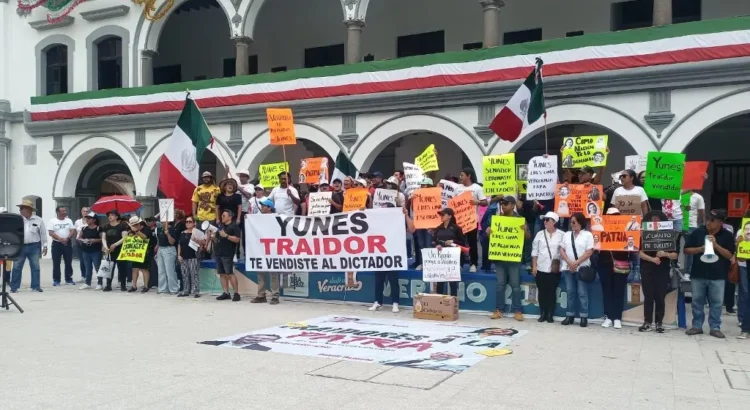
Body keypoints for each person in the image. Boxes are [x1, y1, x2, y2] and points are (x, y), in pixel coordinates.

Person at [684, 209, 736, 338]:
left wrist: (716, 245)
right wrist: (700, 249)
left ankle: (715, 327)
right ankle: (697, 326)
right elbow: (686, 250)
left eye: (712, 220)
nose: (708, 222)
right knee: (696, 301)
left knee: (717, 303)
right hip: (698, 272)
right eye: (708, 219)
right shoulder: (698, 232)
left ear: (721, 223)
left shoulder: (727, 235)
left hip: (718, 275)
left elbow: (730, 255)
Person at [489, 196, 531, 321]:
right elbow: (490, 237)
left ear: (513, 205)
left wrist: (525, 231)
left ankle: (517, 310)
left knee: (515, 285)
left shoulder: (520, 220)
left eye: (506, 203)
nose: (503, 205)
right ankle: (499, 309)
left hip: (514, 258)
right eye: (502, 203)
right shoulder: (498, 219)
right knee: (500, 285)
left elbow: (528, 238)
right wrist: (488, 232)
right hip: (500, 258)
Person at [370, 206, 416, 312]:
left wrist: (406, 215)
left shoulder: (398, 221)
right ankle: (378, 302)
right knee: (378, 281)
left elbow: (412, 229)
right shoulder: (379, 222)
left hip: (394, 255)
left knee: (393, 281)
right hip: (380, 255)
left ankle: (395, 303)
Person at [639, 210, 678, 333]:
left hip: (662, 269)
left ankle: (659, 323)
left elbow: (675, 255)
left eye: (657, 219)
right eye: (652, 219)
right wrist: (652, 259)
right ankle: (647, 322)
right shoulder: (644, 234)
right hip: (647, 268)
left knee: (660, 297)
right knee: (648, 296)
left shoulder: (668, 235)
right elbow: (638, 252)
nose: (654, 221)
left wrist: (665, 253)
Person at [596, 208, 631, 330]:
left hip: (621, 264)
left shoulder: (626, 229)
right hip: (604, 264)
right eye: (610, 216)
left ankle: (617, 318)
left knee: (618, 291)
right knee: (607, 291)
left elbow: (633, 246)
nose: (613, 218)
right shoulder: (600, 229)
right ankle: (608, 317)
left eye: (615, 216)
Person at [559, 213, 595, 327]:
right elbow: (562, 250)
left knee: (582, 293)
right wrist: (570, 263)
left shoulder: (588, 235)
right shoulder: (566, 234)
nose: (571, 224)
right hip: (568, 267)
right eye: (570, 222)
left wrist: (576, 263)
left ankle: (583, 316)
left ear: (580, 222)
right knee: (570, 292)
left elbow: (589, 251)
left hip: (582, 268)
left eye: (574, 222)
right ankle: (569, 315)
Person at [531, 211, 564, 323]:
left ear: (554, 222)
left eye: (547, 220)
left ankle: (550, 314)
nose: (544, 222)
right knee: (542, 291)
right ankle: (543, 313)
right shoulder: (539, 234)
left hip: (554, 269)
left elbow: (563, 252)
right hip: (541, 267)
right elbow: (535, 251)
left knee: (551, 291)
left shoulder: (561, 235)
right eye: (544, 220)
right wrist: (534, 266)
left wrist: (562, 266)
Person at [10, 199, 47, 293]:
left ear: (29, 210)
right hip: (20, 246)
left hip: (34, 246)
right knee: (17, 266)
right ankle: (14, 287)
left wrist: (45, 245)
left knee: (35, 266)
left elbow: (43, 233)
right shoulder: (17, 219)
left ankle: (35, 286)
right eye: (21, 208)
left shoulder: (38, 220)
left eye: (22, 208)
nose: (20, 210)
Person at [251, 199, 282, 304]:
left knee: (273, 274)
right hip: (260, 249)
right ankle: (261, 295)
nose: (262, 207)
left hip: (272, 249)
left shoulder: (277, 218)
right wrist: (248, 219)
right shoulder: (258, 218)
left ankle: (275, 296)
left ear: (269, 208)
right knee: (260, 273)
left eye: (264, 206)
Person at [456, 168, 487, 273]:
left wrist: (476, 202)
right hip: (459, 220)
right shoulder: (457, 188)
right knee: (458, 242)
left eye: (462, 175)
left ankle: (473, 263)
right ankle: (459, 263)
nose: (460, 177)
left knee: (472, 242)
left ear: (468, 176)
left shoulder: (477, 188)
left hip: (472, 220)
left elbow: (485, 202)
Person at [431, 208, 466, 297]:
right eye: (441, 215)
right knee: (440, 281)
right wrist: (436, 245)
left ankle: (453, 301)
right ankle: (439, 301)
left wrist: (453, 241)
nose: (441, 216)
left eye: (443, 214)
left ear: (450, 216)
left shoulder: (456, 228)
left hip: (453, 259)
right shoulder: (438, 229)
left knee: (452, 282)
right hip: (441, 259)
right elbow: (433, 241)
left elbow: (463, 243)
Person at [214, 210, 242, 302]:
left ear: (230, 217)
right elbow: (218, 237)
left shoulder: (234, 226)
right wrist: (214, 236)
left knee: (230, 273)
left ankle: (236, 293)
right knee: (222, 274)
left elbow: (237, 239)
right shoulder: (221, 226)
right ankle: (226, 292)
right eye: (222, 215)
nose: (222, 216)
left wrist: (226, 236)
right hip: (218, 252)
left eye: (224, 215)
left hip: (228, 253)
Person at [101, 211, 131, 291]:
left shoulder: (122, 226)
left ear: (117, 217)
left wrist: (115, 244)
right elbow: (103, 238)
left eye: (112, 215)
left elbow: (124, 237)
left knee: (122, 268)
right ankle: (108, 285)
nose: (110, 217)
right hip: (109, 250)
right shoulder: (106, 226)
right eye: (109, 215)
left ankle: (123, 285)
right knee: (109, 267)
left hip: (120, 249)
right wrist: (105, 246)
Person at [48, 205, 76, 286]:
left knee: (68, 262)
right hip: (56, 244)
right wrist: (60, 239)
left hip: (67, 243)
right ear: (58, 212)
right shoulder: (52, 221)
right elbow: (51, 233)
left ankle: (69, 279)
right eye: (63, 211)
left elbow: (72, 230)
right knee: (56, 263)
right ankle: (56, 280)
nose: (65, 212)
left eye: (65, 211)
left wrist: (67, 238)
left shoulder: (69, 220)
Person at [126, 216, 155, 293]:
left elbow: (144, 237)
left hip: (146, 252)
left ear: (139, 223)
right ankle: (134, 286)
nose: (134, 226)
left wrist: (136, 231)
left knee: (144, 269)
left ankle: (146, 286)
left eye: (135, 224)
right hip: (136, 251)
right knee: (134, 269)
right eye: (133, 225)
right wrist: (130, 233)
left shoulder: (146, 229)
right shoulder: (131, 230)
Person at [77, 211, 103, 290]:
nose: (87, 220)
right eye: (86, 218)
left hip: (96, 251)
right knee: (87, 267)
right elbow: (79, 237)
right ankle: (87, 283)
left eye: (89, 218)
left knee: (97, 267)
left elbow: (102, 239)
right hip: (86, 250)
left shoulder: (99, 228)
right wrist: (83, 240)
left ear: (94, 220)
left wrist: (93, 240)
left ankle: (100, 283)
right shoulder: (84, 228)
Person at [682, 190, 706, 278]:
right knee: (675, 246)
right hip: (678, 224)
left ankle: (688, 271)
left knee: (690, 249)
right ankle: (675, 266)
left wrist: (698, 225)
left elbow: (701, 212)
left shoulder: (698, 197)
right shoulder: (678, 195)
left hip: (692, 226)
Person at [177, 216, 201, 298]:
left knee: (194, 274)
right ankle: (186, 290)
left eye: (190, 221)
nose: (188, 223)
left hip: (193, 256)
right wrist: (179, 255)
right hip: (183, 256)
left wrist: (196, 240)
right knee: (184, 274)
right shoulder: (182, 233)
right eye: (186, 221)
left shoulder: (196, 232)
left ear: (194, 223)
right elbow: (180, 244)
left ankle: (196, 291)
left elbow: (203, 243)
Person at [155, 215, 179, 294]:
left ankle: (173, 288)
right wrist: (157, 247)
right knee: (161, 270)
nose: (162, 222)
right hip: (161, 249)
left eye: (163, 221)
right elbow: (158, 240)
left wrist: (168, 234)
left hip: (169, 249)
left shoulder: (172, 229)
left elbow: (172, 242)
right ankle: (162, 288)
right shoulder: (158, 229)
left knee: (170, 270)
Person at [235, 169, 254, 257]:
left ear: (247, 178)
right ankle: (236, 253)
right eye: (240, 176)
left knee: (245, 233)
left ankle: (246, 253)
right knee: (236, 232)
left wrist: (239, 189)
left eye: (243, 176)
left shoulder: (250, 186)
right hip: (236, 211)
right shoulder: (236, 185)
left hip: (245, 212)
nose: (241, 178)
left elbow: (248, 196)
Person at [74, 206, 90, 281]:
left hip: (88, 241)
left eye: (87, 211)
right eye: (84, 211)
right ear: (81, 212)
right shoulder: (77, 222)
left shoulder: (90, 221)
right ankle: (83, 275)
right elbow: (76, 231)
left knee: (88, 260)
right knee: (82, 260)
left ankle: (88, 275)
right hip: (79, 242)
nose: (85, 213)